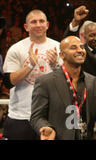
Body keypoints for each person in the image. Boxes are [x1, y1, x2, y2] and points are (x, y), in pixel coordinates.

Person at [30, 36, 96, 140]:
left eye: (81, 47)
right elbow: (36, 117)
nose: (80, 50)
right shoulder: (45, 82)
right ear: (62, 55)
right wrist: (46, 127)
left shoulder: (93, 82)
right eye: (73, 47)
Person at [2, 9, 60, 140]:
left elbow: (68, 81)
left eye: (41, 21)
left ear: (47, 25)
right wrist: (30, 66)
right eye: (33, 22)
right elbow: (8, 82)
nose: (38, 25)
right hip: (21, 116)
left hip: (50, 116)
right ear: (26, 27)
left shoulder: (59, 47)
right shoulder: (16, 49)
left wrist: (55, 65)